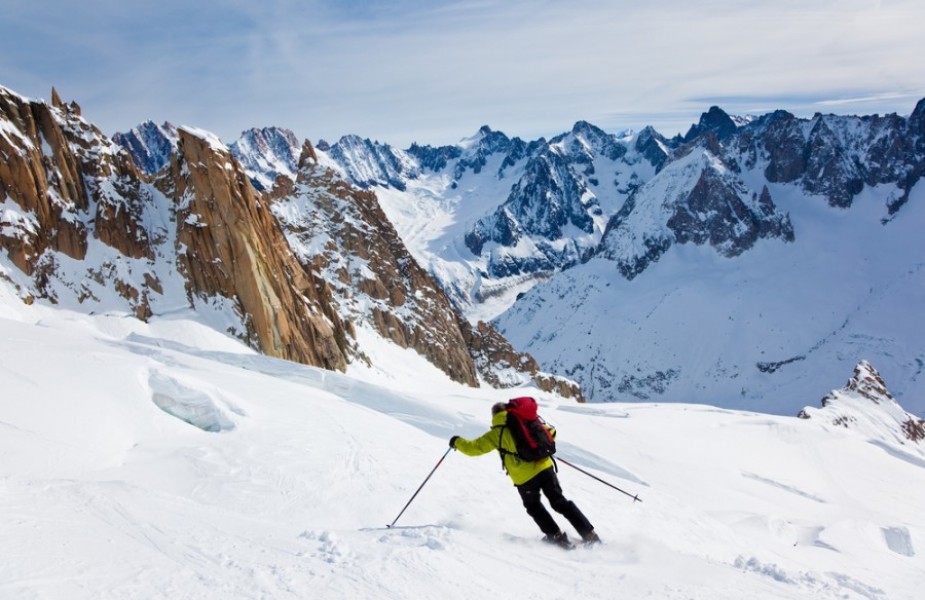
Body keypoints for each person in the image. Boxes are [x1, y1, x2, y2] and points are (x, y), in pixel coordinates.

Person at [449, 401, 601, 548]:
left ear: (494, 415)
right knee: (560, 502)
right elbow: (552, 433)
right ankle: (590, 535)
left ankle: (556, 537)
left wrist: (456, 441)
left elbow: (474, 448)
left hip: (525, 478)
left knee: (534, 506)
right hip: (545, 468)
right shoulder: (528, 421)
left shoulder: (497, 433)